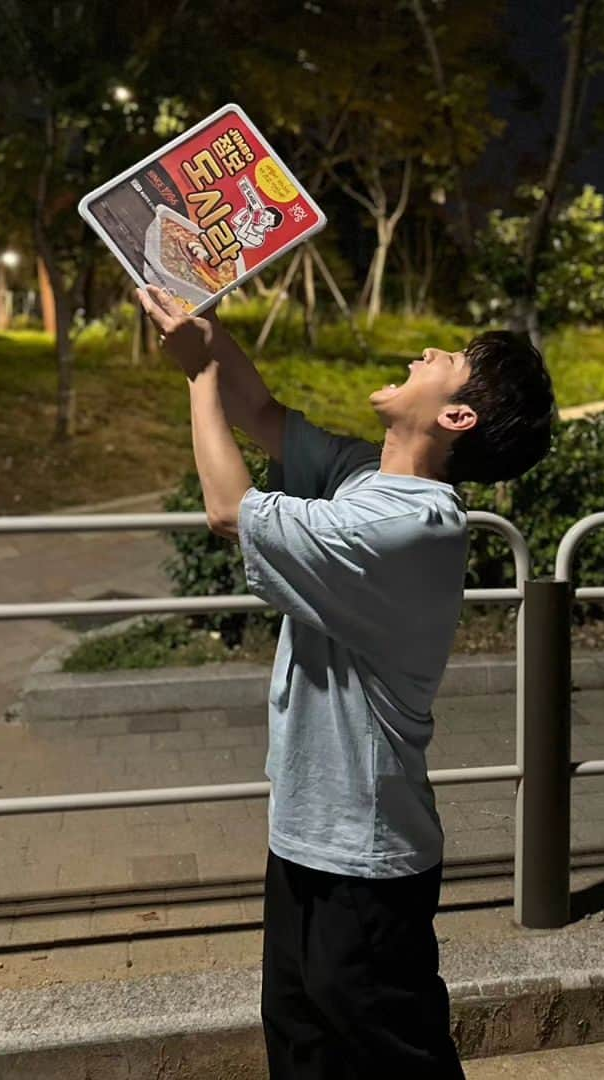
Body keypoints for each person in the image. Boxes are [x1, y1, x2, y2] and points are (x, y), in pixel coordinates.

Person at [138, 284, 555, 1080]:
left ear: (456, 417)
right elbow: (260, 413)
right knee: (301, 1045)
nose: (428, 351)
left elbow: (230, 510)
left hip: (367, 856)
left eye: (451, 360)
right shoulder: (367, 479)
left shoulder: (408, 528)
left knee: (393, 1056)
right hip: (306, 832)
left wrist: (196, 376)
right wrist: (208, 329)